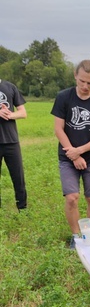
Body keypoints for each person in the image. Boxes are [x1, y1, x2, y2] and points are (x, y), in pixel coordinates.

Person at [51, 60, 90, 249]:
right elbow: (58, 129)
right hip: (68, 157)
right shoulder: (63, 97)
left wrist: (81, 152)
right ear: (75, 76)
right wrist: (74, 155)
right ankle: (76, 236)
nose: (85, 86)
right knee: (72, 197)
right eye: (82, 81)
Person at [0, 79, 27, 211]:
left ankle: (23, 209)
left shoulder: (10, 87)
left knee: (18, 177)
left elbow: (23, 112)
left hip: (11, 141)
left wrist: (9, 114)